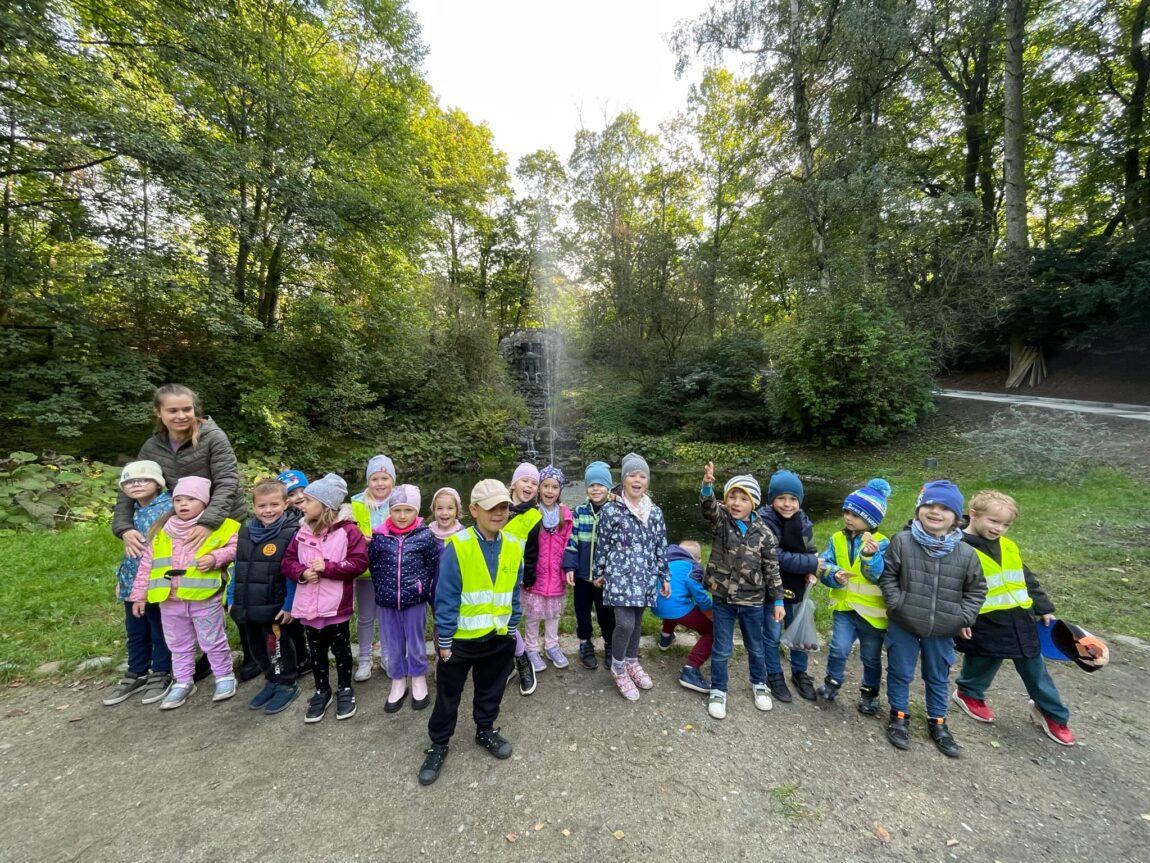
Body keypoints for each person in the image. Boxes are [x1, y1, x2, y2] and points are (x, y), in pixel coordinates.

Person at [112, 383, 254, 681]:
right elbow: (131, 487)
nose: (181, 416)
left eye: (186, 409)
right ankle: (202, 654)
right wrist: (124, 528)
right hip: (180, 526)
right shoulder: (153, 446)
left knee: (233, 590)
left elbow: (227, 481)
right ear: (159, 413)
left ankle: (251, 654)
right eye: (172, 410)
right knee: (189, 590)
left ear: (195, 409)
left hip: (223, 520)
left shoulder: (212, 437)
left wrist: (209, 523)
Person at [419, 479, 525, 786]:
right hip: (461, 642)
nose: (499, 513)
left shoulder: (514, 545)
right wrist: (445, 641)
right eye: (492, 507)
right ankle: (438, 743)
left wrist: (512, 627)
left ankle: (485, 730)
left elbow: (514, 593)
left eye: (504, 507)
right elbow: (446, 597)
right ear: (474, 510)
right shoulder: (459, 546)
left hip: (498, 638)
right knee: (448, 695)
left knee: (491, 689)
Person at [953, 490, 1076, 746]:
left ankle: (1052, 713)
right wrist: (961, 617)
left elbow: (1025, 576)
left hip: (1021, 619)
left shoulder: (1008, 546)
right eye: (994, 522)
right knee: (984, 660)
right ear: (973, 515)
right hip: (984, 620)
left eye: (1006, 524)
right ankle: (969, 693)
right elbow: (952, 586)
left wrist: (1043, 606)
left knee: (1035, 667)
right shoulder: (958, 547)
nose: (1000, 529)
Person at [879, 480, 986, 757]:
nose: (935, 511)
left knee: (937, 676)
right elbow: (888, 576)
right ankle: (899, 715)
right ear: (918, 510)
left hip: (943, 628)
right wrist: (896, 604)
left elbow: (977, 589)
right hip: (904, 622)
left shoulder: (966, 553)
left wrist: (963, 617)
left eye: (943, 508)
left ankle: (938, 722)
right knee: (900, 671)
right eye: (929, 505)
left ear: (956, 518)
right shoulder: (902, 542)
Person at [129, 476, 239, 709]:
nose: (183, 504)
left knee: (212, 640)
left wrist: (215, 557)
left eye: (191, 499)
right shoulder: (162, 531)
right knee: (178, 643)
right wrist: (138, 596)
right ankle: (183, 681)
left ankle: (224, 675)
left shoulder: (219, 526)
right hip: (169, 600)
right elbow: (147, 565)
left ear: (205, 503)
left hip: (204, 597)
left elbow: (237, 546)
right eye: (178, 499)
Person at [283, 473, 369, 724]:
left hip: (335, 606)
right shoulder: (300, 533)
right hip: (308, 606)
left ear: (326, 505)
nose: (303, 504)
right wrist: (302, 573)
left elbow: (359, 563)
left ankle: (345, 688)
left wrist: (328, 567)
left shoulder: (349, 531)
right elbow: (287, 562)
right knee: (317, 651)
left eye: (309, 500)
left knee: (341, 650)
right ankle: (322, 690)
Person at [699, 464, 783, 719]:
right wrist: (707, 486)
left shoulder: (765, 534)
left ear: (754, 503)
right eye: (732, 497)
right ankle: (718, 689)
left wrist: (778, 599)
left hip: (753, 600)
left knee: (755, 646)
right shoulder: (722, 520)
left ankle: (760, 683)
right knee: (722, 647)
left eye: (743, 498)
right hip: (723, 597)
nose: (736, 503)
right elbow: (708, 507)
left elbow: (772, 568)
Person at [594, 453, 671, 701]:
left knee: (637, 623)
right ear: (623, 480)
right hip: (619, 576)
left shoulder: (655, 512)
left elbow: (661, 545)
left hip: (645, 577)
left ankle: (631, 660)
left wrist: (664, 576)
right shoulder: (611, 510)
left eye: (642, 475)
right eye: (632, 475)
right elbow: (602, 543)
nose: (637, 480)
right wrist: (599, 571)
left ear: (647, 481)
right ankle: (618, 667)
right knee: (625, 623)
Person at [227, 478, 303, 716]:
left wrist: (290, 604)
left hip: (275, 606)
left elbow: (293, 573)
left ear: (285, 503)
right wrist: (230, 599)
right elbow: (238, 566)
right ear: (253, 506)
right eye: (262, 506)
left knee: (278, 647)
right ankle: (271, 679)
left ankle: (287, 683)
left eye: (273, 505)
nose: (268, 511)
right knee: (257, 648)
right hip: (247, 604)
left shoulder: (292, 532)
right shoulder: (246, 531)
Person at [817, 479, 892, 714]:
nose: (848, 517)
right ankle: (832, 682)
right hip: (845, 607)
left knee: (870, 656)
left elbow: (879, 576)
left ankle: (869, 694)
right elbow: (826, 563)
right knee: (838, 647)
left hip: (872, 613)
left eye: (856, 514)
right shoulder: (837, 538)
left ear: (871, 520)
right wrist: (832, 573)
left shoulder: (881, 543)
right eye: (846, 511)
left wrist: (871, 557)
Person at [102, 461, 174, 707]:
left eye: (143, 480)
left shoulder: (169, 507)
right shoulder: (131, 511)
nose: (136, 484)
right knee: (135, 630)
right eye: (130, 481)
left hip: (156, 583)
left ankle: (162, 671)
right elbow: (130, 552)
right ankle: (137, 671)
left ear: (158, 483)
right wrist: (121, 579)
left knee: (159, 628)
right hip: (131, 582)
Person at [367, 484, 439, 712]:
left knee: (416, 641)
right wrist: (383, 589)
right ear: (390, 510)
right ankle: (398, 680)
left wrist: (422, 588)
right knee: (392, 642)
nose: (402, 516)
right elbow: (374, 565)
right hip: (387, 600)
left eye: (408, 510)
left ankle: (418, 677)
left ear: (416, 512)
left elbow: (432, 565)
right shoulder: (379, 536)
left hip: (414, 600)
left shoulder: (425, 535)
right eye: (397, 510)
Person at [758, 469, 824, 703]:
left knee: (800, 632)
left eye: (793, 499)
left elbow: (810, 548)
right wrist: (812, 562)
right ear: (772, 499)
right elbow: (774, 556)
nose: (787, 504)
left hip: (797, 587)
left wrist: (810, 569)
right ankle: (774, 673)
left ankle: (800, 672)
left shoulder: (803, 520)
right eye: (781, 498)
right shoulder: (764, 520)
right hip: (771, 588)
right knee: (772, 633)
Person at [563, 461, 617, 671]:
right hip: (583, 577)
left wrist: (609, 573)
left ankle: (610, 643)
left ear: (608, 487)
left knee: (606, 615)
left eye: (600, 484)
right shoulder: (579, 512)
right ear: (586, 488)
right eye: (592, 485)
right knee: (582, 613)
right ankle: (585, 642)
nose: (596, 489)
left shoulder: (614, 512)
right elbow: (572, 541)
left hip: (604, 579)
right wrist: (569, 567)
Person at [523, 465, 574, 673]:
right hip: (536, 575)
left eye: (555, 487)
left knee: (553, 615)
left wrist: (567, 569)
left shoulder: (565, 514)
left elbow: (569, 544)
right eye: (546, 486)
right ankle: (531, 648)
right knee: (533, 615)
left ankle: (552, 645)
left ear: (560, 490)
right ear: (539, 488)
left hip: (556, 575)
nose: (550, 491)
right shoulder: (531, 513)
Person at [350, 454, 395, 682]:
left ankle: (387, 656)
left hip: (389, 570)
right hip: (364, 570)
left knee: (386, 616)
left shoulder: (398, 502)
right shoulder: (356, 504)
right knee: (366, 616)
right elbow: (346, 534)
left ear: (392, 481)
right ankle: (365, 658)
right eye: (375, 478)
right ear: (368, 480)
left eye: (385, 478)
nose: (380, 483)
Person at [653, 536, 715, 697]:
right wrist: (710, 613)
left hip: (656, 605)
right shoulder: (693, 566)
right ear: (698, 558)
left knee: (676, 603)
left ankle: (665, 639)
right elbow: (699, 595)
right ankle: (691, 670)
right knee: (713, 631)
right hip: (675, 607)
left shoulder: (665, 559)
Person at [503, 462, 543, 695]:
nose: (528, 485)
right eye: (524, 480)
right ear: (513, 484)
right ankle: (506, 664)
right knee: (494, 623)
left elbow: (532, 552)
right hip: (489, 575)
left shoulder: (533, 516)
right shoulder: (498, 507)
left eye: (533, 482)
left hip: (513, 578)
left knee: (508, 622)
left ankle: (523, 661)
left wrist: (527, 579)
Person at [428, 487, 464, 551]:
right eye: (439, 508)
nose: (444, 513)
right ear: (434, 510)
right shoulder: (428, 532)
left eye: (450, 508)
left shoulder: (462, 533)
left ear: (457, 510)